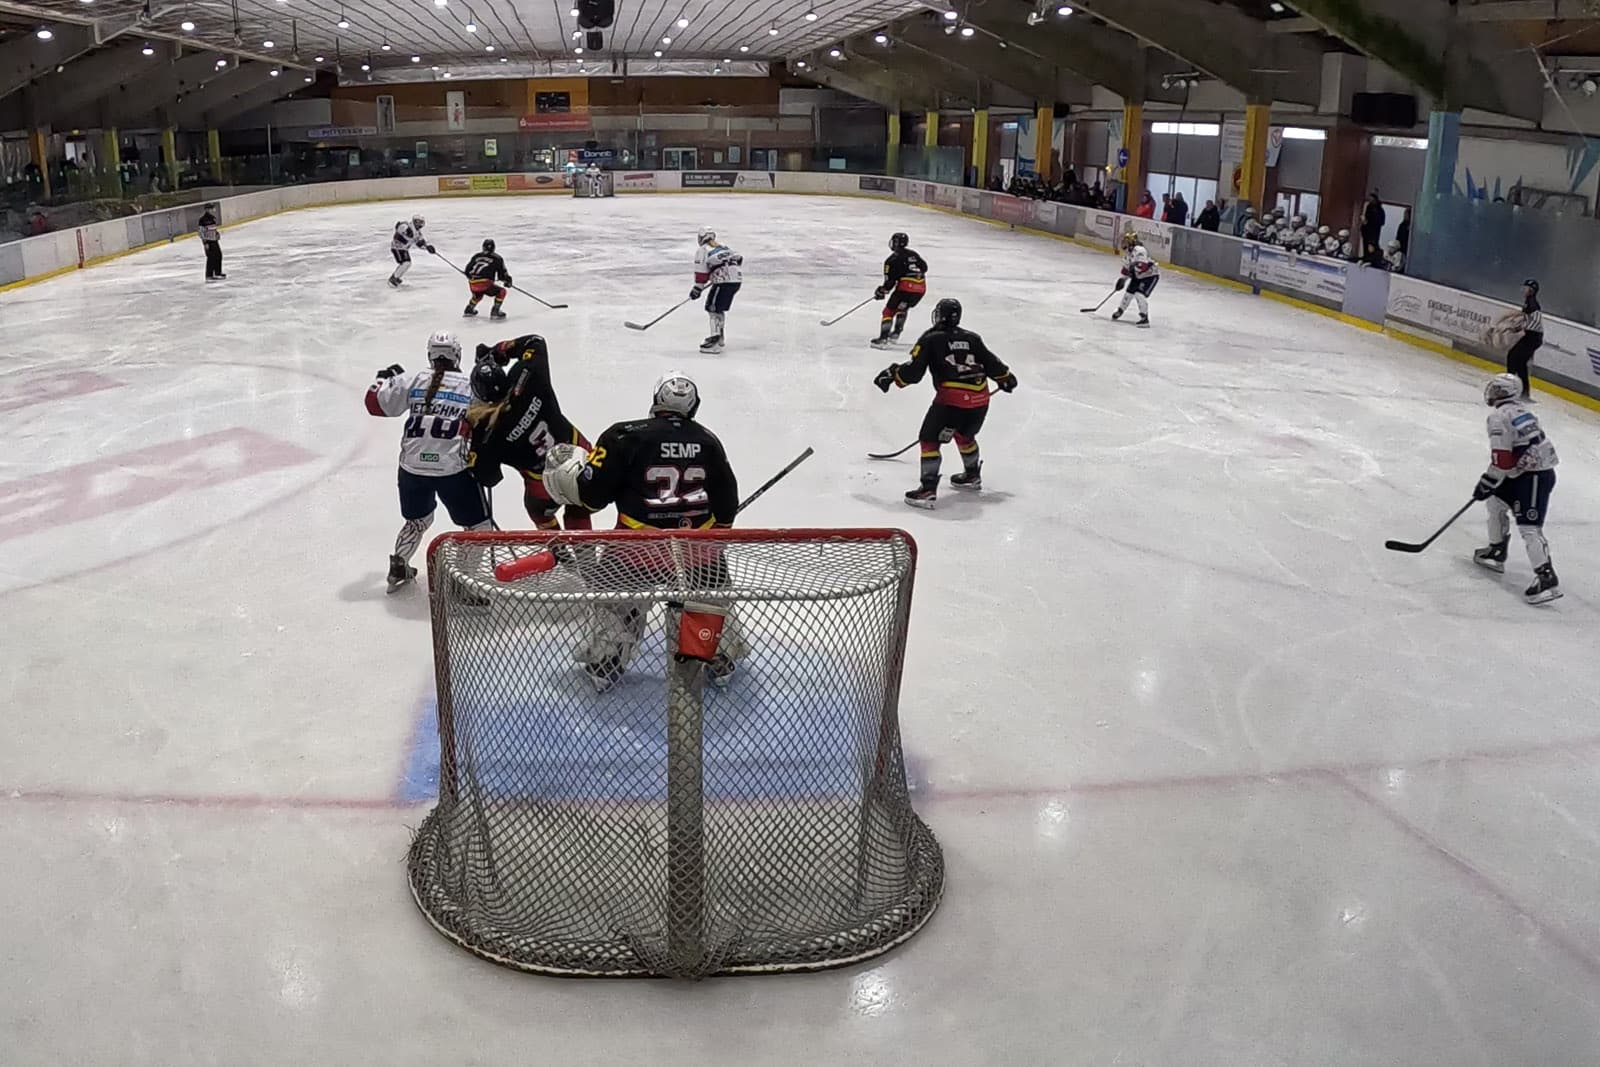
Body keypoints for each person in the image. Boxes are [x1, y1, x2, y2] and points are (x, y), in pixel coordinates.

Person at [543, 373, 742, 690]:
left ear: (656, 400)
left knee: (616, 604)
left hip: (634, 552)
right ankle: (718, 656)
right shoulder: (708, 440)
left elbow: (591, 497)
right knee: (712, 596)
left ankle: (606, 663)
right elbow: (728, 505)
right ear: (693, 407)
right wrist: (712, 540)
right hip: (696, 555)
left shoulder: (623, 435)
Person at [364, 331, 492, 593]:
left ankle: (399, 565)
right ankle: (462, 584)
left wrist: (383, 379)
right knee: (479, 527)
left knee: (418, 520)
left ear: (429, 356)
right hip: (452, 469)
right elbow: (492, 415)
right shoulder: (470, 384)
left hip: (411, 467)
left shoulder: (413, 380)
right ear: (457, 355)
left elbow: (374, 404)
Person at [873, 298, 1017, 509]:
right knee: (965, 435)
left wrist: (892, 375)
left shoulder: (931, 338)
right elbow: (993, 364)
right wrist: (1006, 379)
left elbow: (913, 373)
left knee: (929, 440)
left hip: (951, 400)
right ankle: (972, 475)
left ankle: (928, 490)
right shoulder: (972, 338)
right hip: (980, 399)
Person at [465, 334, 594, 531]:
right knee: (579, 506)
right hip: (581, 456)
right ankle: (586, 554)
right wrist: (498, 351)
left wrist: (475, 448)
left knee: (538, 512)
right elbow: (536, 341)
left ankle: (561, 555)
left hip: (543, 486)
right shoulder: (526, 374)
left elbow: (489, 478)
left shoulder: (485, 434)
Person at [1471, 373, 1560, 603]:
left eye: (1496, 390)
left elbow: (1503, 460)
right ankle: (1497, 549)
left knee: (1529, 527)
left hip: (1534, 478)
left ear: (1503, 393)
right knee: (1496, 502)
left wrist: (1488, 481)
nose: (1491, 393)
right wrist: (1493, 483)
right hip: (1526, 472)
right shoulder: (1523, 410)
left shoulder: (1498, 418)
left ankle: (1546, 578)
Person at [871, 232, 928, 349]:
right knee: (903, 308)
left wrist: (882, 291)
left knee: (888, 311)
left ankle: (883, 338)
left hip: (905, 288)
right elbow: (924, 268)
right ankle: (896, 334)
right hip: (921, 288)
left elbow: (890, 282)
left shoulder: (891, 260)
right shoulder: (914, 254)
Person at [691, 227, 743, 353]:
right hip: (736, 280)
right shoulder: (724, 247)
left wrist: (697, 289)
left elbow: (701, 274)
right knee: (718, 308)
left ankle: (715, 341)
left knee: (712, 308)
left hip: (723, 281)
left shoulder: (702, 250)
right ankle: (720, 338)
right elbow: (739, 258)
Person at [1493, 278, 1544, 400]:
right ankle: (1523, 393)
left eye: (1526, 289)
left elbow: (1531, 322)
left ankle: (1509, 387)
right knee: (1520, 364)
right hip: (1533, 337)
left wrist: (1515, 328)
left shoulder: (1531, 303)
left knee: (1512, 357)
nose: (1524, 291)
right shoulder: (1530, 301)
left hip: (1532, 337)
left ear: (1532, 291)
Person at [1111, 229, 1159, 327]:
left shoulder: (1139, 250)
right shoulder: (1128, 255)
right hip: (1138, 276)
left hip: (1150, 275)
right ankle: (1120, 310)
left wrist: (1134, 268)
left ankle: (1144, 318)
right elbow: (1126, 270)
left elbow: (1143, 267)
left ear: (1131, 242)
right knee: (1128, 292)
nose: (1123, 243)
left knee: (1139, 294)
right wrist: (1122, 279)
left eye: (1126, 241)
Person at [463, 238, 512, 319]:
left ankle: (469, 309)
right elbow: (502, 275)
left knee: (478, 294)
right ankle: (495, 312)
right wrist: (507, 281)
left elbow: (467, 271)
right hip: (485, 283)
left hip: (473, 283)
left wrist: (471, 277)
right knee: (502, 292)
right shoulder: (497, 258)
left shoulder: (476, 256)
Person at [388, 214, 434, 288]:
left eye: (421, 222)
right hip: (397, 248)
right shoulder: (407, 226)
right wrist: (406, 230)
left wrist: (428, 247)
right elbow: (400, 226)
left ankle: (396, 277)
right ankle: (393, 278)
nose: (419, 224)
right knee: (405, 263)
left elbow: (420, 243)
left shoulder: (418, 233)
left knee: (407, 264)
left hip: (404, 249)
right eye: (418, 222)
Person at [198, 204, 224, 281]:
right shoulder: (202, 220)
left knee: (218, 255)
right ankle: (209, 275)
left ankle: (217, 272)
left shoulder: (213, 218)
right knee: (211, 258)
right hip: (208, 241)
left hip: (214, 240)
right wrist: (205, 242)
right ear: (207, 209)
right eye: (211, 209)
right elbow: (201, 232)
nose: (213, 210)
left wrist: (217, 234)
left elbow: (213, 229)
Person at [1361, 191, 1386, 263]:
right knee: (1365, 247)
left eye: (1371, 199)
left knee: (1371, 247)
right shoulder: (1369, 207)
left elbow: (1381, 222)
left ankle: (1371, 260)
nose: (1370, 201)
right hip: (1366, 231)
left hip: (1373, 233)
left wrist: (1368, 222)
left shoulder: (1380, 210)